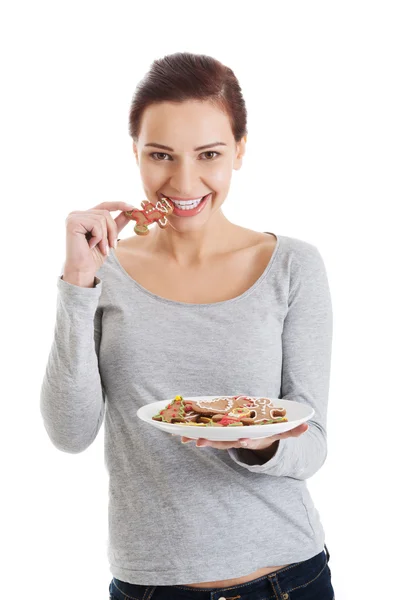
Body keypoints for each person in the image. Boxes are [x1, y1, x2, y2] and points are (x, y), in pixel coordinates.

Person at [40, 52, 335, 600]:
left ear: (240, 150)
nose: (183, 180)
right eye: (160, 155)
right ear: (135, 153)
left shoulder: (293, 266)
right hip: (151, 584)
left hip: (288, 578)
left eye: (209, 154)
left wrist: (261, 445)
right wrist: (77, 283)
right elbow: (69, 433)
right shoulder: (103, 270)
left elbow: (312, 444)